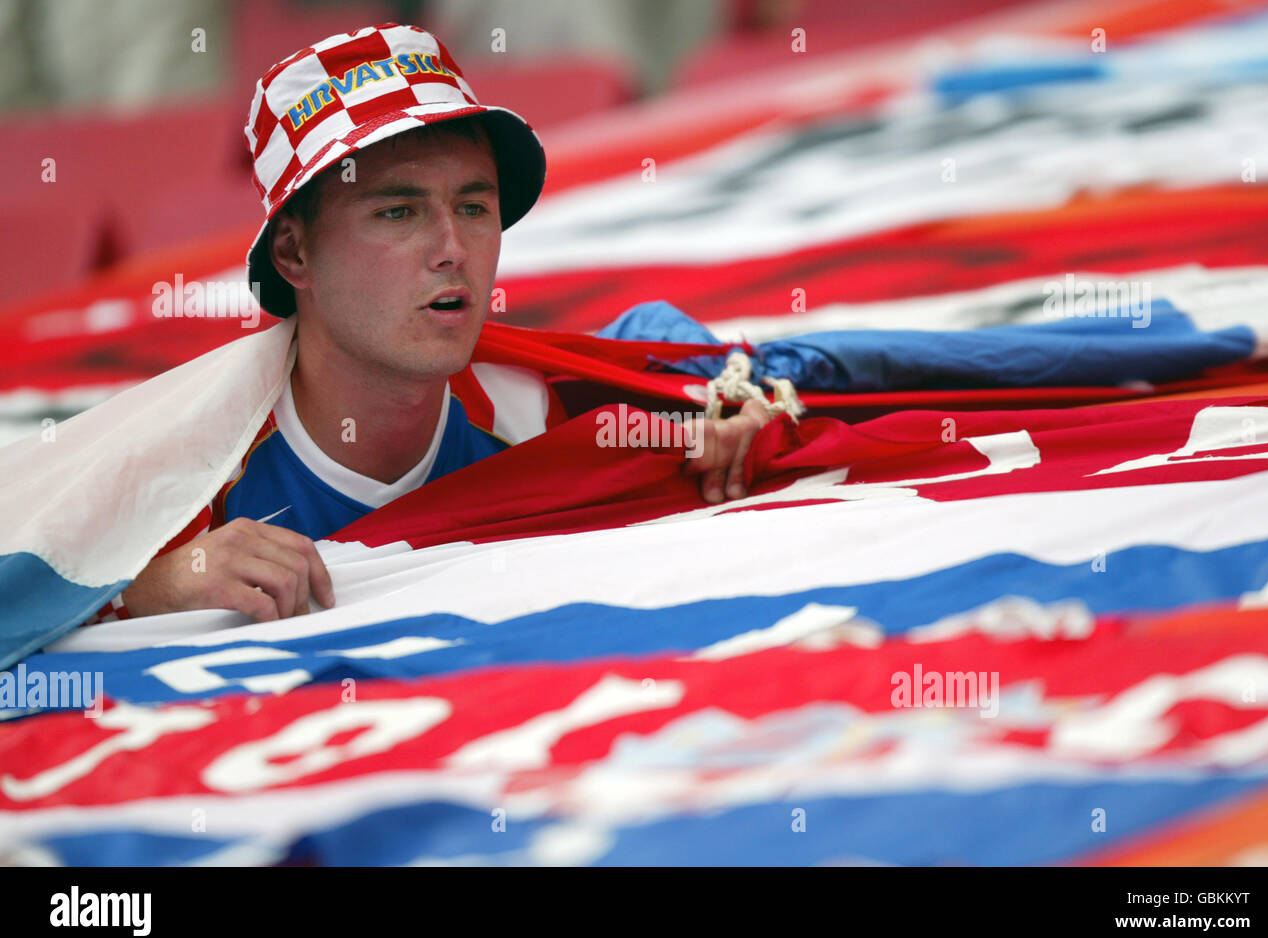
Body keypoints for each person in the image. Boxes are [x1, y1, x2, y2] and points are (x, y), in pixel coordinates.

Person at [109, 24, 773, 625]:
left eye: (475, 207)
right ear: (294, 253)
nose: (453, 247)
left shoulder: (536, 409)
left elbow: (650, 345)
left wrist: (710, 402)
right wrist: (143, 588)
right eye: (400, 212)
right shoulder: (186, 475)